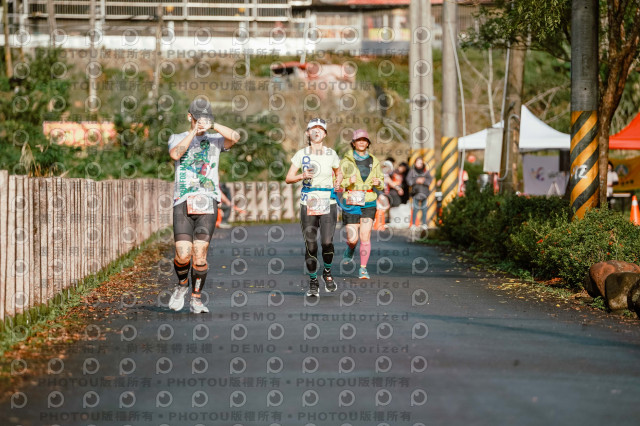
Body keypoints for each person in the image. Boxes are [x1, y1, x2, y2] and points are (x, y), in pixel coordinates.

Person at [167, 98, 240, 313]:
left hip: (208, 201)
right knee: (183, 254)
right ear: (189, 117)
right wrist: (194, 132)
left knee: (200, 255)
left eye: (206, 118)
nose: (201, 122)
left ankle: (196, 298)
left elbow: (235, 137)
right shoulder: (177, 137)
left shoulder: (215, 140)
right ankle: (182, 285)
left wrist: (213, 126)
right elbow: (175, 154)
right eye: (198, 118)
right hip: (182, 201)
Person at [285, 118, 342, 297]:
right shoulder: (301, 154)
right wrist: (302, 176)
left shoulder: (331, 153)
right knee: (311, 245)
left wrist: (338, 182)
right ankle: (313, 281)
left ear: (325, 134)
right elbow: (288, 178)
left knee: (327, 242)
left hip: (328, 201)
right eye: (313, 129)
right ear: (308, 133)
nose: (317, 132)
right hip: (308, 201)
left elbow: (339, 172)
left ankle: (327, 272)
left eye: (320, 129)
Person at [340, 129, 384, 279]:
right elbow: (337, 183)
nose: (361, 142)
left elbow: (382, 183)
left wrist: (379, 182)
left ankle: (363, 268)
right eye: (358, 140)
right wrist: (348, 181)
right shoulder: (345, 161)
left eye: (364, 140)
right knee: (353, 239)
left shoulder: (374, 161)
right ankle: (350, 248)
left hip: (369, 201)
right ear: (353, 143)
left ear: (368, 143)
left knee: (365, 236)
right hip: (351, 200)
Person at [406, 157, 433, 229]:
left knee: (424, 209)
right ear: (415, 163)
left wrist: (424, 181)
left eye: (420, 162)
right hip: (415, 193)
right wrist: (416, 180)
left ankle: (424, 224)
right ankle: (413, 224)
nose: (419, 164)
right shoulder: (412, 171)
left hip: (425, 193)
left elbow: (430, 180)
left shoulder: (426, 171)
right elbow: (408, 180)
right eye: (417, 162)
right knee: (415, 209)